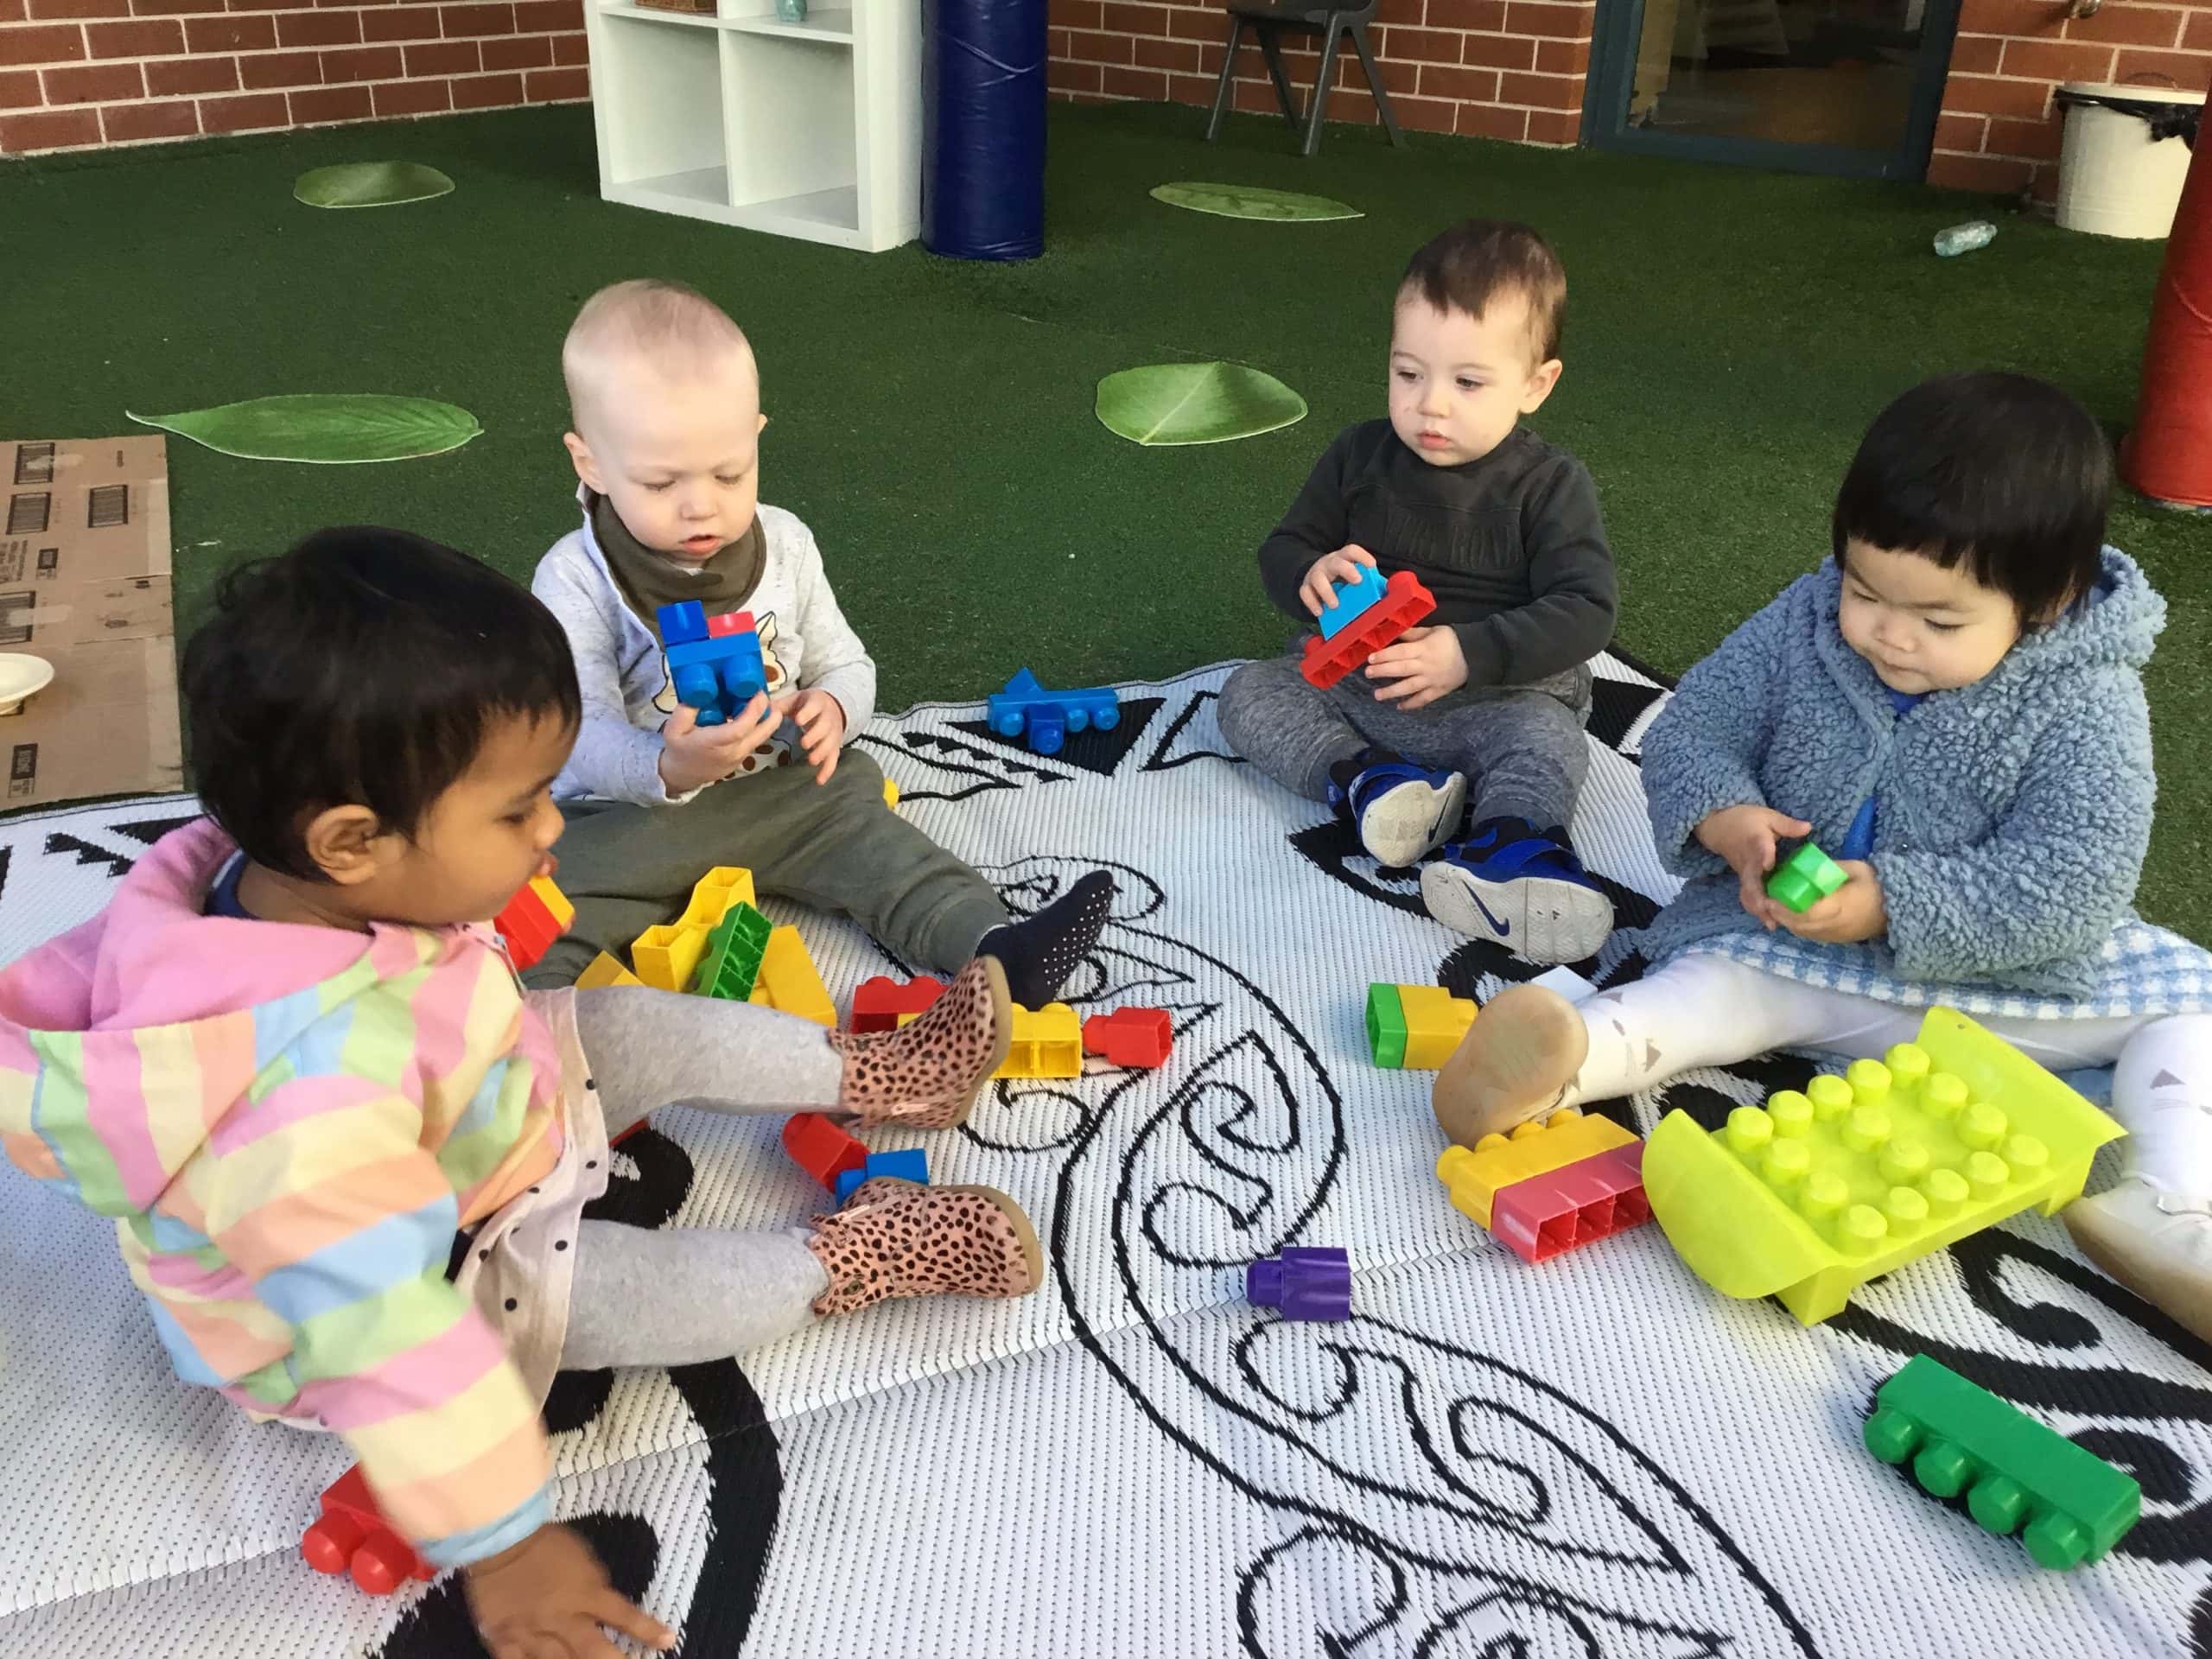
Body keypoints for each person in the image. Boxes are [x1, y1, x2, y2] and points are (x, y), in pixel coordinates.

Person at [0, 529, 1048, 1659]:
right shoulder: (305, 1112)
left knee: (624, 1019)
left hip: (461, 1101)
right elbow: (388, 1342)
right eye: (517, 812)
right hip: (413, 1281)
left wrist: (478, 913)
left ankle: (878, 1072)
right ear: (353, 842)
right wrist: (502, 1542)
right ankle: (855, 1257)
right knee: (632, 1296)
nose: (553, 830)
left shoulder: (264, 868)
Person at [1435, 372, 2212, 1344]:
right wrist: (1728, 820)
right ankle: (1556, 1062)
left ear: (2046, 602)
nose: (1887, 633)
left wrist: (1893, 899)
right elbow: (1694, 728)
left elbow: (2077, 880)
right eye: (1865, 591)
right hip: (1784, 948)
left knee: (2192, 1008)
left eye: (1938, 622)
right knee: (1703, 997)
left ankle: (2171, 1209)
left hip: (2003, 990)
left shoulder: (2086, 701)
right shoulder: (1803, 622)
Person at [532, 277, 1110, 1000]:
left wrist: (834, 709)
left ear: (757, 438)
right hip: (629, 821)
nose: (701, 504)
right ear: (590, 464)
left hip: (780, 797)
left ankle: (995, 949)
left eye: (729, 471)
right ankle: (545, 1034)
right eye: (659, 482)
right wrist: (669, 765)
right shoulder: (574, 578)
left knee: (870, 833)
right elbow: (575, 732)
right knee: (544, 890)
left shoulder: (786, 542)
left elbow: (847, 662)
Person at [1215, 220, 1619, 966]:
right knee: (1247, 692)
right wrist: (1310, 572)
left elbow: (1587, 609)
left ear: (1536, 384)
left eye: (1468, 383)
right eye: (1408, 374)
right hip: (1361, 693)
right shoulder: (1359, 455)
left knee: (1550, 742)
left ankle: (1514, 847)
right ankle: (1373, 786)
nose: (1431, 406)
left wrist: (1469, 652)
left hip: (1500, 702)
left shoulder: (1550, 485)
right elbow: (1285, 547)